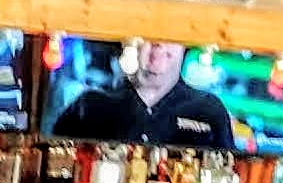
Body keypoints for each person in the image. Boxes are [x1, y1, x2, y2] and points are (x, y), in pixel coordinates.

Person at [52, 38, 238, 151]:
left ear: (184, 46)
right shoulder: (89, 106)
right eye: (148, 36)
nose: (159, 44)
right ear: (129, 43)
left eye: (170, 36)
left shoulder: (209, 111)